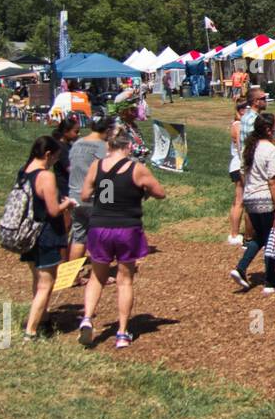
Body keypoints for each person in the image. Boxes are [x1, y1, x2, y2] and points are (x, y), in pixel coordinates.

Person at [77, 124, 167, 348]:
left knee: (97, 276)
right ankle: (122, 332)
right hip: (127, 227)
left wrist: (102, 192)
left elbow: (85, 195)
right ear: (128, 147)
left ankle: (87, 318)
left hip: (99, 226)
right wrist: (142, 191)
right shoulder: (135, 168)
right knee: (125, 280)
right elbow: (160, 193)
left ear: (108, 146)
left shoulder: (97, 166)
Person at [17, 136, 74, 342]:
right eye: (55, 158)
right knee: (46, 285)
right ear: (48, 154)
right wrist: (67, 205)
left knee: (37, 280)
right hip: (46, 235)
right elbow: (53, 210)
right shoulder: (46, 177)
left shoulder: (24, 172)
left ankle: (44, 320)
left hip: (27, 234)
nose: (55, 162)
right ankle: (31, 331)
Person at [230, 112, 275, 294]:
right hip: (266, 199)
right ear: (269, 130)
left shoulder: (250, 147)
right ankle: (270, 281)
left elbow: (242, 172)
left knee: (261, 237)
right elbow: (273, 180)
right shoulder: (271, 150)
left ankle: (241, 268)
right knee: (272, 237)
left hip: (250, 198)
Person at [66, 114, 108, 270]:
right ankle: (100, 274)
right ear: (107, 130)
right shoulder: (102, 146)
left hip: (74, 195)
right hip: (93, 196)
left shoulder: (77, 144)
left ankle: (72, 276)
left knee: (79, 237)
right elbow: (106, 172)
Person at [227, 98, 249, 245]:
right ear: (241, 111)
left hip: (236, 164)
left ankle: (234, 234)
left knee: (238, 201)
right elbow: (242, 147)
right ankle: (237, 234)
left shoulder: (236, 124)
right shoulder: (239, 125)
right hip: (239, 165)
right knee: (241, 201)